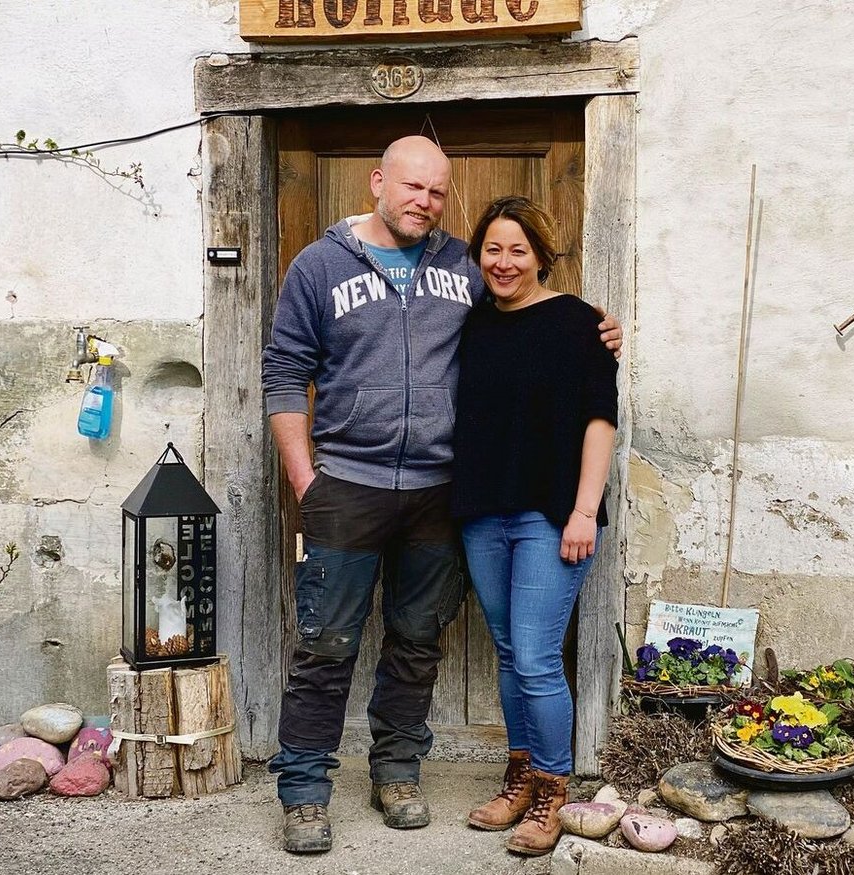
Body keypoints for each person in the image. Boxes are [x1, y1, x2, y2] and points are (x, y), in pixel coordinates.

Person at [261, 137, 622, 855]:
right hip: (348, 486)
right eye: (411, 187)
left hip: (437, 492)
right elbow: (282, 375)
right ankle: (304, 790)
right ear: (377, 183)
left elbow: (544, 316)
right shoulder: (319, 267)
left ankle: (396, 771)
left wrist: (599, 327)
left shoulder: (463, 264)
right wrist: (307, 479)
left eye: (436, 190)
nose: (423, 201)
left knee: (417, 643)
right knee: (326, 646)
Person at [452, 196, 618, 856]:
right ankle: (520, 777)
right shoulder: (471, 326)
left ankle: (554, 789)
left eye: (517, 249)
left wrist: (584, 508)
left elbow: (600, 420)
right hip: (482, 511)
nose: (503, 260)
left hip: (552, 514)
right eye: (493, 248)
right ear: (478, 256)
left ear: (542, 256)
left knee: (538, 653)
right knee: (510, 649)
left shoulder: (580, 324)